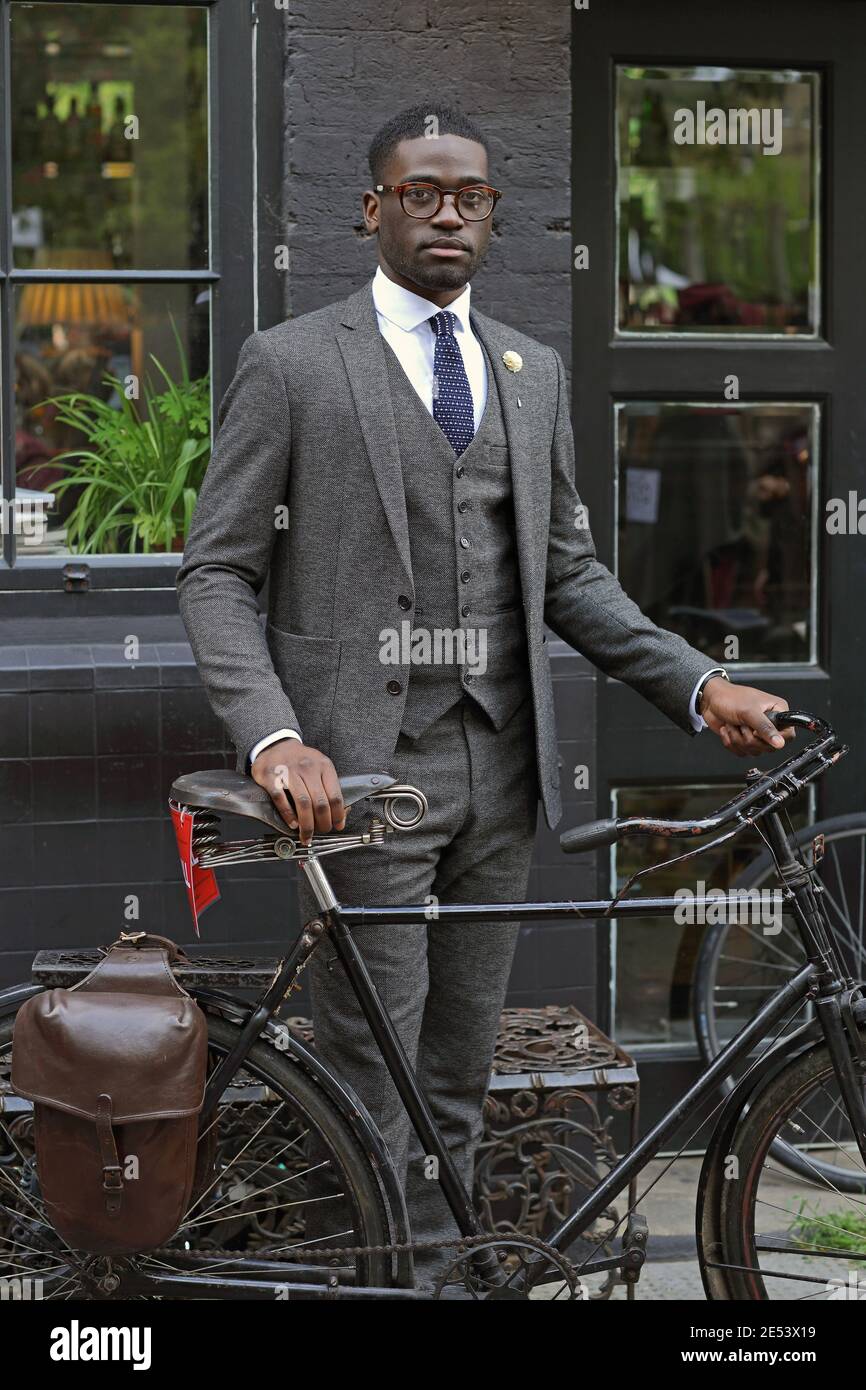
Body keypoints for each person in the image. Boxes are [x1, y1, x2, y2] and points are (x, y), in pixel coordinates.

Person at [176, 103, 792, 1287]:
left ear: (493, 216)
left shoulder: (529, 369)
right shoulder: (295, 363)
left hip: (498, 778)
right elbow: (217, 569)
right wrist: (274, 735)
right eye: (420, 192)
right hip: (362, 778)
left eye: (469, 195)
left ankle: (447, 1277)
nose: (447, 211)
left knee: (458, 1072)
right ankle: (370, 1279)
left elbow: (567, 575)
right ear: (372, 209)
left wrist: (697, 681)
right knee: (373, 1078)